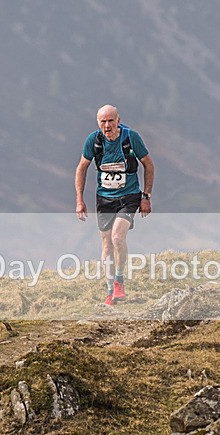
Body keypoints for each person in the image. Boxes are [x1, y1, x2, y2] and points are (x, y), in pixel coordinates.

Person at [75, 104, 154, 306]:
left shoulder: (131, 138)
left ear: (118, 121)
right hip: (104, 198)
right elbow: (81, 168)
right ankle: (110, 290)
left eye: (111, 121)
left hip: (129, 196)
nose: (107, 125)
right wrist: (79, 200)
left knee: (117, 237)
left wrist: (146, 196)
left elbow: (148, 164)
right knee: (107, 245)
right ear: (98, 123)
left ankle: (119, 281)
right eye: (103, 121)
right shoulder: (94, 141)